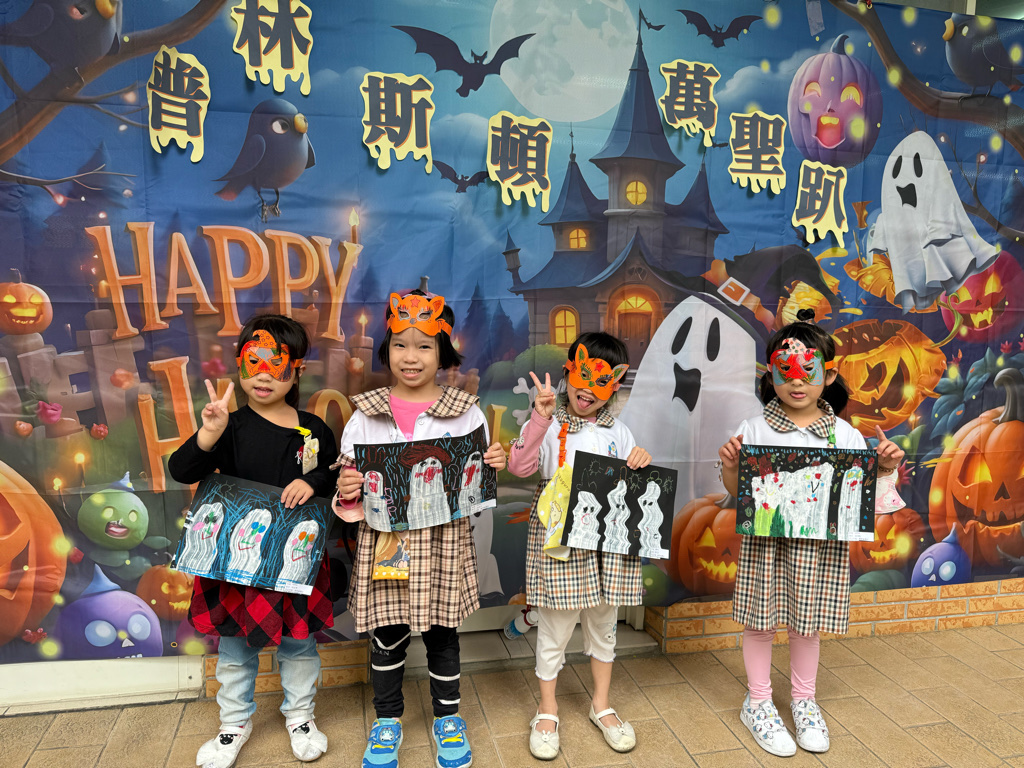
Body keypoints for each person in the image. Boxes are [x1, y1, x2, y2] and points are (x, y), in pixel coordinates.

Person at [718, 309, 905, 757]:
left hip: (819, 549)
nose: (797, 381)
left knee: (808, 625)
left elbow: (863, 497)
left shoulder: (844, 434)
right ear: (771, 375)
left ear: (829, 375)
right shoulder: (755, 428)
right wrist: (730, 466)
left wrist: (883, 468)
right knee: (760, 622)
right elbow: (736, 493)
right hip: (766, 544)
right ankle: (758, 702)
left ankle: (804, 701)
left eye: (809, 370)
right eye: (786, 370)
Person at [333, 289, 506, 768]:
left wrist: (493, 462)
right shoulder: (365, 415)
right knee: (387, 633)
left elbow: (477, 485)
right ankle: (387, 719)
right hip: (386, 543)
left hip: (444, 542)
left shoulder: (466, 412)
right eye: (400, 345)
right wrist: (347, 489)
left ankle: (447, 718)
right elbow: (350, 498)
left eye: (424, 346)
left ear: (442, 352)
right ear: (386, 349)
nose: (411, 357)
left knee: (443, 634)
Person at [168, 314, 339, 768]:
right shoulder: (229, 425)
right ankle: (234, 723)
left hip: (292, 561)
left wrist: (313, 482)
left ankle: (300, 716)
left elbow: (332, 474)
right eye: (253, 361)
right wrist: (209, 432)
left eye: (276, 363)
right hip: (235, 563)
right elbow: (181, 470)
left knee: (299, 644)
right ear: (239, 363)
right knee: (234, 646)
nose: (264, 374)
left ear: (297, 370)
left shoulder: (313, 429)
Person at [508, 332, 652, 760]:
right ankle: (547, 710)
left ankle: (601, 705)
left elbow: (631, 487)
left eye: (602, 381)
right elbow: (519, 466)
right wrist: (539, 420)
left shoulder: (619, 431)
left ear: (615, 385)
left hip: (605, 542)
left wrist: (639, 462)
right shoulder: (548, 424)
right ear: (569, 372)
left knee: (604, 626)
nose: (588, 389)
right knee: (555, 629)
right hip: (560, 540)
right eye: (583, 376)